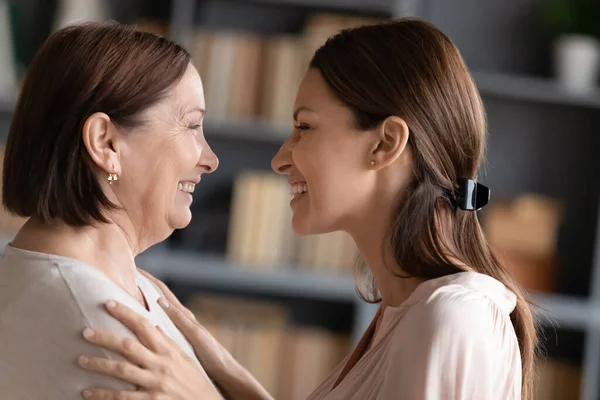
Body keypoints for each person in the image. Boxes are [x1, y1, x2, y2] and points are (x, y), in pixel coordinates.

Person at [76, 18, 538, 400]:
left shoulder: (454, 318)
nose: (280, 158)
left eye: (304, 128)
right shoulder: (410, 314)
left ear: (385, 143)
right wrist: (229, 377)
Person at [0, 21, 226, 399]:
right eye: (191, 125)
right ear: (106, 143)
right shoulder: (116, 343)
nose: (211, 159)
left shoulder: (124, 290)